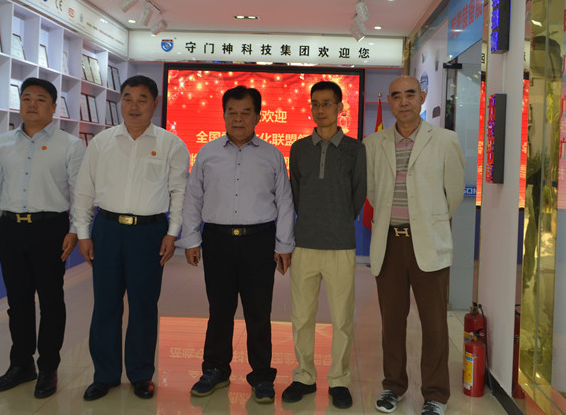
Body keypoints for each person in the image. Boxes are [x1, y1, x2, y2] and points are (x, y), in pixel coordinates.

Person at [72, 75, 189, 401]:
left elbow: (179, 193)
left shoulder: (171, 145)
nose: (134, 106)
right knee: (105, 305)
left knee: (143, 306)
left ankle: (140, 374)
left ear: (155, 103)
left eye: (142, 99)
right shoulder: (102, 142)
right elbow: (84, 190)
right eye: (127, 98)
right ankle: (105, 375)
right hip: (107, 230)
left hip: (149, 233)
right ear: (120, 101)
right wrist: (83, 233)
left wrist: (172, 233)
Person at [180, 85, 295, 404]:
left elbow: (285, 201)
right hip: (217, 240)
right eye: (232, 112)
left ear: (258, 116)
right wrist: (191, 238)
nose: (238, 118)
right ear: (224, 115)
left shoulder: (272, 155)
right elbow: (193, 198)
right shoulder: (207, 153)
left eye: (246, 112)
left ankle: (262, 376)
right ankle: (215, 369)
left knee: (259, 312)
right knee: (219, 310)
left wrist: (284, 244)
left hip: (259, 241)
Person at [363, 75, 464, 415]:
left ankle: (435, 394)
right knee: (392, 323)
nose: (403, 101)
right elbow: (373, 192)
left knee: (434, 325)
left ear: (422, 97)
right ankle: (393, 386)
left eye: (410, 94)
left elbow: (453, 194)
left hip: (428, 243)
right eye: (396, 96)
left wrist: (427, 220)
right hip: (389, 243)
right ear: (389, 102)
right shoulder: (373, 143)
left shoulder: (445, 140)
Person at [0, 77, 85, 399]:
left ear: (54, 107)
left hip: (49, 229)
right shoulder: (3, 142)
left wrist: (75, 230)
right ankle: (21, 365)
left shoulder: (70, 145)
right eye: (26, 97)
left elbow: (80, 192)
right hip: (10, 228)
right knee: (18, 303)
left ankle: (48, 368)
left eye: (40, 99)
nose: (31, 104)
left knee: (51, 301)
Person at [281, 81, 366, 409]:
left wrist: (338, 220)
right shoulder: (299, 149)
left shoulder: (355, 149)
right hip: (305, 244)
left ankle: (339, 379)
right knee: (302, 316)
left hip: (340, 245)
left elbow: (358, 194)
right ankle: (304, 376)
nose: (320, 109)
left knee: (342, 318)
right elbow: (295, 195)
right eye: (315, 103)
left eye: (327, 103)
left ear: (340, 107)